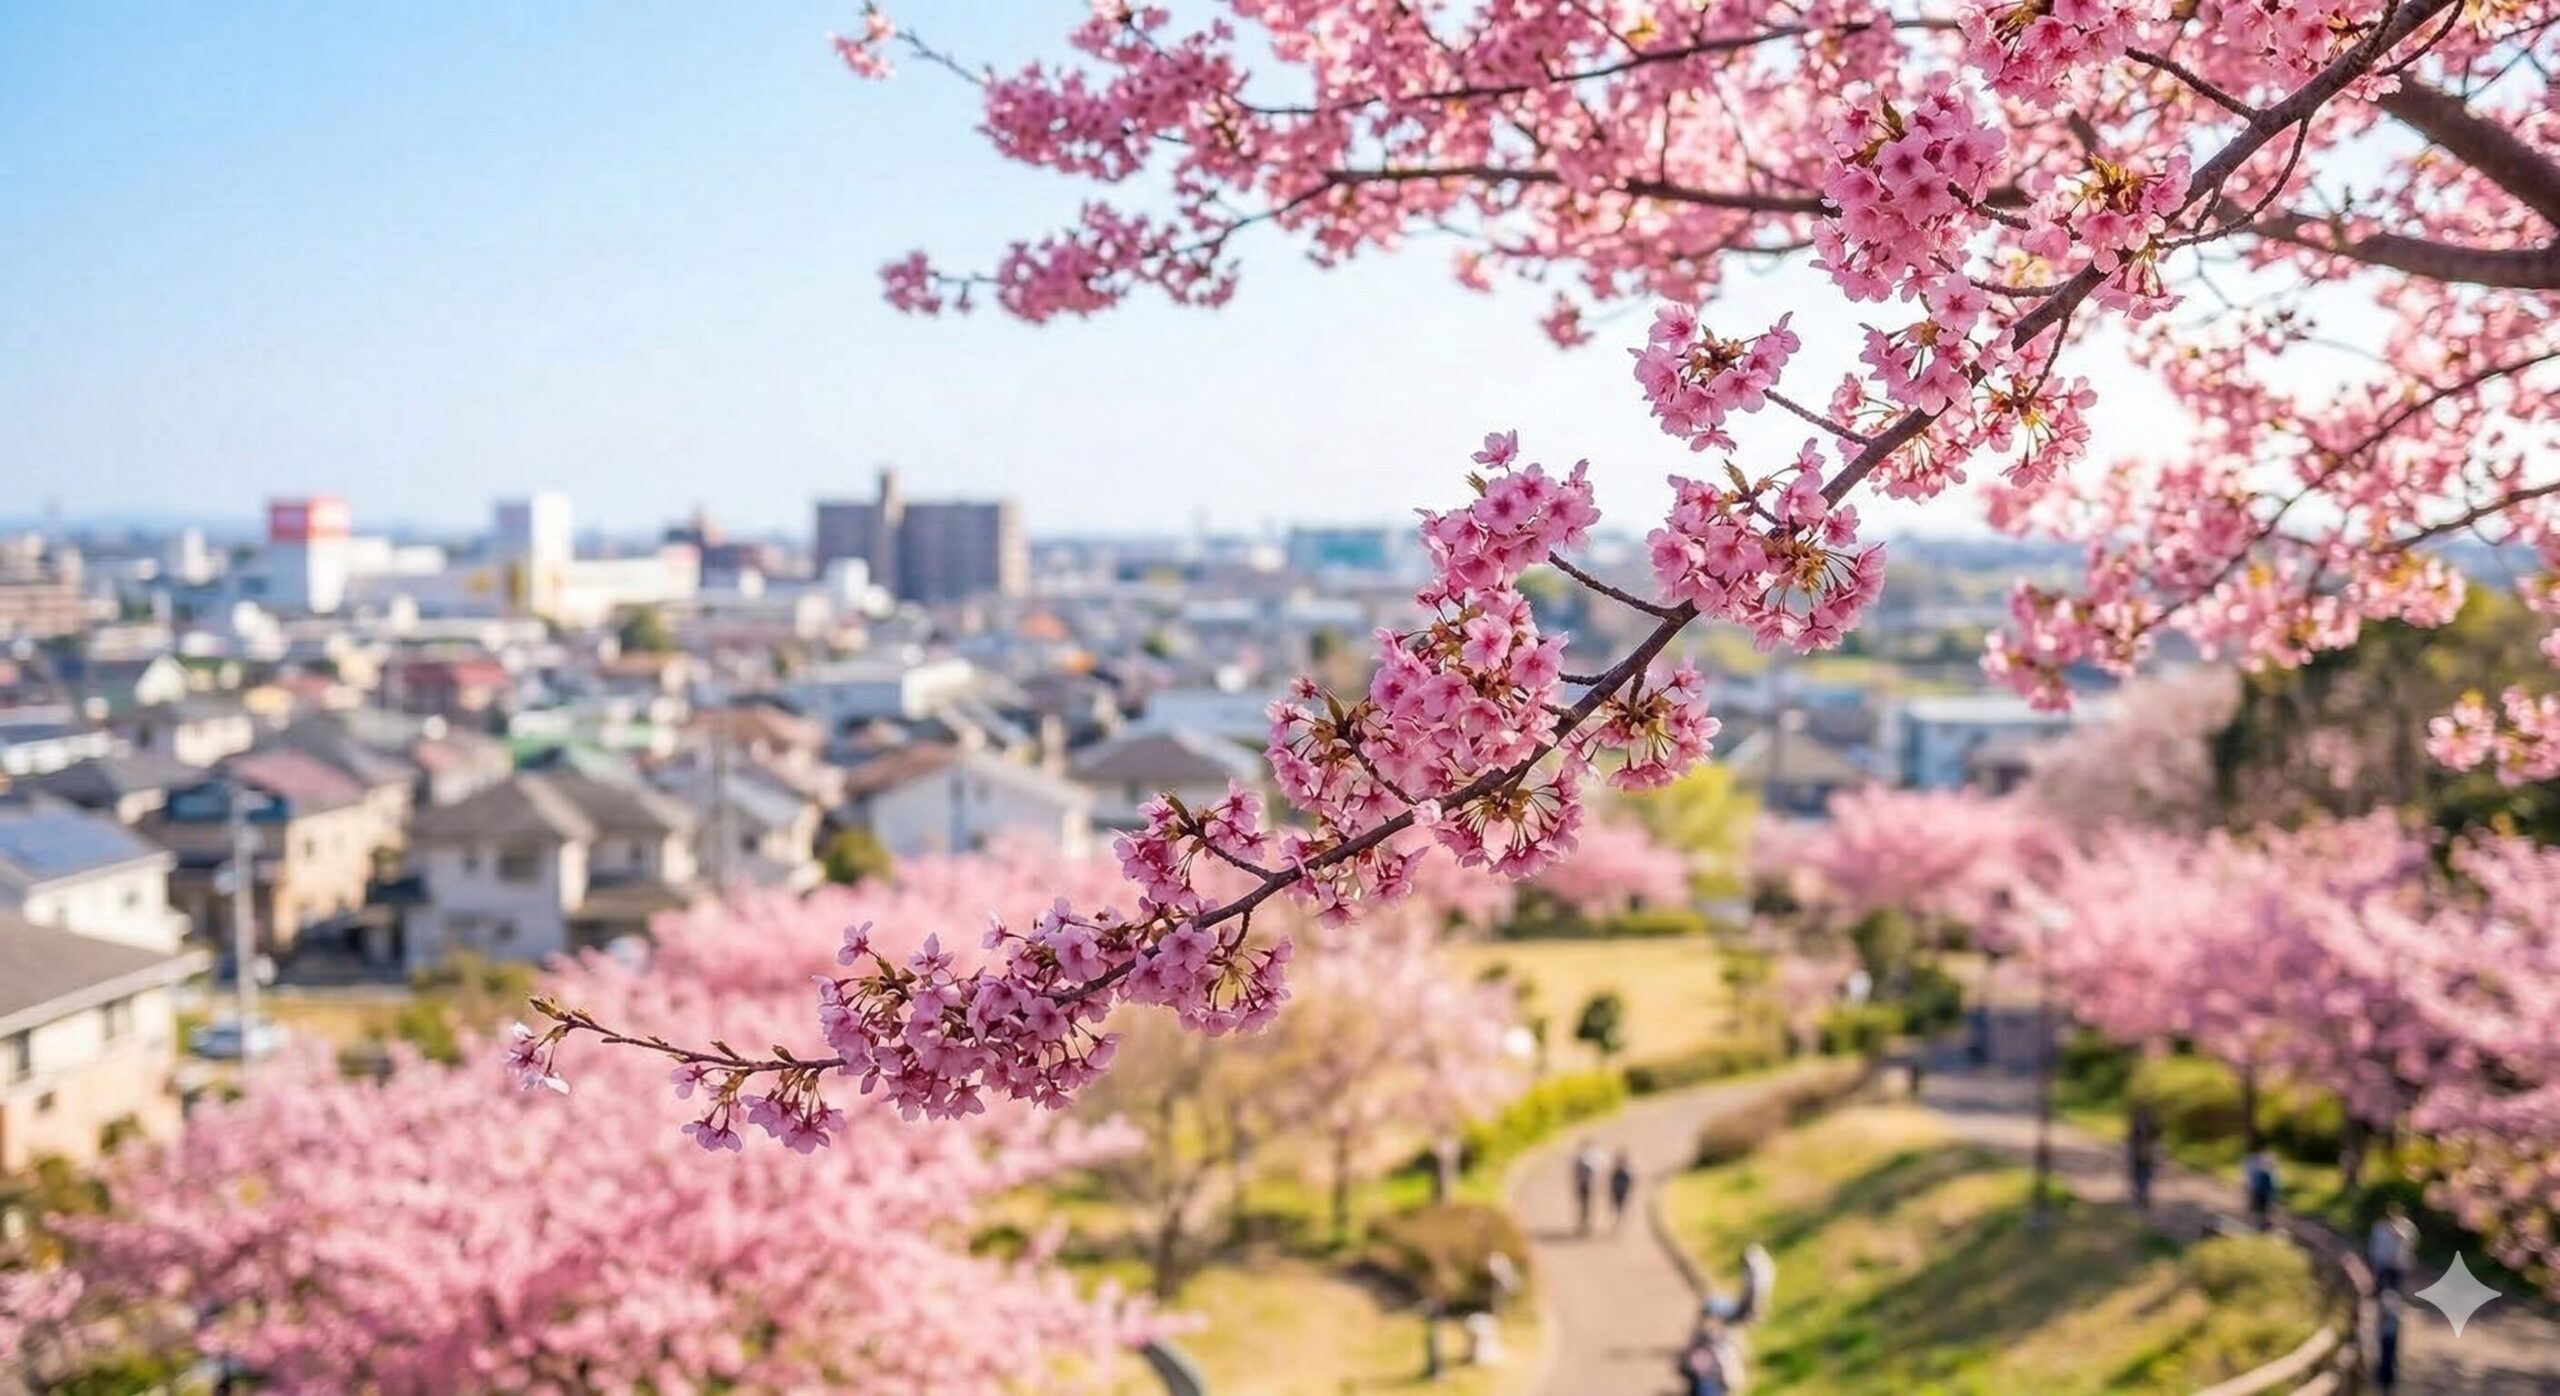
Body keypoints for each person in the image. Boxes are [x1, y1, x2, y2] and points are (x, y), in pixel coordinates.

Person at [2368, 1203, 2417, 1295]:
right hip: (2381, 1260)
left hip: (2398, 1262)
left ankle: (2394, 1298)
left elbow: (2409, 1241)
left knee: (2396, 1285)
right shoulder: (2380, 1225)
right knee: (2381, 1283)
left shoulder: (2406, 1226)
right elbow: (2375, 1241)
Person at [2127, 1105, 2158, 1212]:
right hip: (2140, 1157)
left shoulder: (2148, 1132)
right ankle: (2142, 1195)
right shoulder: (2139, 1131)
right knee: (2140, 1177)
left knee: (2143, 1177)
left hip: (2145, 1157)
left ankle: (2142, 1195)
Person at [1571, 1141, 1603, 1236]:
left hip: (1585, 1186)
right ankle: (1585, 1224)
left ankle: (1585, 1224)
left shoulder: (1583, 1159)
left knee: (1585, 1206)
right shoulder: (1591, 1159)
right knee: (1586, 1206)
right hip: (1586, 1186)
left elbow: (1577, 1174)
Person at [2373, 1291, 2403, 1393]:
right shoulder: (2387, 1298)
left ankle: (2387, 1381)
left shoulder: (2391, 1298)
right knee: (2385, 1357)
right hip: (2386, 1334)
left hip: (2389, 1334)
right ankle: (2384, 1381)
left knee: (2389, 1357)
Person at [2242, 1148, 2279, 1230]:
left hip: (2264, 1192)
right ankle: (2256, 1223)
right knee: (2257, 1208)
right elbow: (2254, 1182)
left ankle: (2262, 1224)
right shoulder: (2261, 1172)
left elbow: (2273, 1184)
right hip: (2258, 1191)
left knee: (2264, 1209)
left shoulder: (2268, 1173)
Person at [1607, 1148, 1636, 1233]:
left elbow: (1630, 1182)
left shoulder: (1625, 1172)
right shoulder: (1616, 1171)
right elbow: (1612, 1182)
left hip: (1622, 1191)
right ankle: (1618, 1222)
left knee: (1620, 1207)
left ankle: (1619, 1222)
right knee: (1617, 1207)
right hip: (1617, 1191)